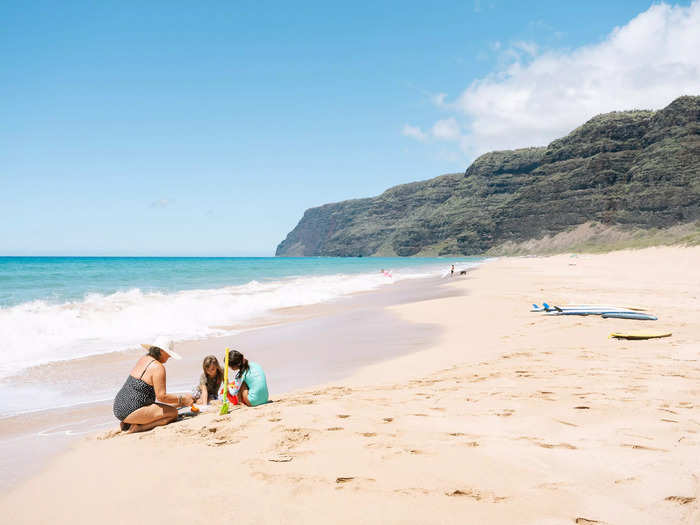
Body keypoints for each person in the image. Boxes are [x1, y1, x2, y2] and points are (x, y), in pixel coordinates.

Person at [112, 336, 194, 433]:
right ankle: (139, 427)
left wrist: (181, 401)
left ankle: (129, 421)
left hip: (119, 405)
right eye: (168, 353)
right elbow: (161, 397)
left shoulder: (144, 358)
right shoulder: (158, 367)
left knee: (168, 408)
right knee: (173, 413)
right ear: (162, 351)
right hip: (131, 409)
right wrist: (182, 399)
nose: (170, 356)